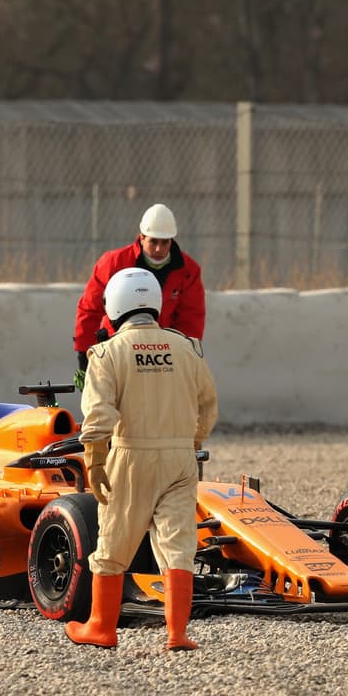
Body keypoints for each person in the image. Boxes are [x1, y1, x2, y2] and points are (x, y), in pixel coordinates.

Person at [67, 267, 218, 651]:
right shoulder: (186, 347)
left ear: (114, 306)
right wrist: (192, 439)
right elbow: (208, 405)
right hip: (180, 458)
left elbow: (99, 414)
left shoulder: (106, 353)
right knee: (178, 543)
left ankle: (101, 626)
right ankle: (177, 633)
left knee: (114, 543)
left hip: (130, 456)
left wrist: (95, 459)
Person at [73, 203, 205, 389]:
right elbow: (90, 310)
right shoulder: (113, 263)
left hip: (158, 357)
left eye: (165, 242)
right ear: (142, 238)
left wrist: (186, 359)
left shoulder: (188, 271)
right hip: (115, 351)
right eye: (154, 241)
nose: (159, 249)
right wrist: (84, 356)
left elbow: (190, 321)